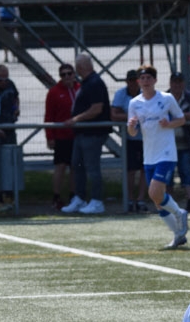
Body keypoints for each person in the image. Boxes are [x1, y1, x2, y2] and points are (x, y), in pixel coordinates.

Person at [126, 65, 189, 249]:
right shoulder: (134, 103)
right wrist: (131, 126)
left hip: (166, 153)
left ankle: (179, 213)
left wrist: (169, 124)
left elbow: (181, 119)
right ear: (138, 81)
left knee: (154, 192)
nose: (145, 81)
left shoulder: (166, 98)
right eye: (142, 78)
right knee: (157, 200)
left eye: (149, 78)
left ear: (155, 80)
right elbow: (132, 132)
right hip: (149, 155)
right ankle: (178, 235)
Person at [62, 53, 111, 214]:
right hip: (82, 133)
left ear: (81, 67)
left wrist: (76, 119)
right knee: (77, 165)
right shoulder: (87, 82)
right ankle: (80, 198)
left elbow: (97, 108)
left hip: (93, 133)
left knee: (92, 167)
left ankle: (97, 201)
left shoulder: (95, 83)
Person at [111, 70, 148, 213]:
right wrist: (132, 116)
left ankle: (141, 199)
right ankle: (130, 199)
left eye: (136, 80)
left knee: (145, 169)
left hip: (145, 138)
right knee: (130, 169)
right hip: (129, 139)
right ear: (127, 81)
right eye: (131, 80)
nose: (133, 83)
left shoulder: (146, 94)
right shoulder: (121, 94)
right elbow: (114, 114)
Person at [44, 62, 80, 211]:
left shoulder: (80, 89)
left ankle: (73, 195)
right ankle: (56, 196)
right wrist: (50, 136)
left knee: (75, 167)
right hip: (61, 136)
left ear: (74, 74)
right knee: (60, 166)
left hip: (78, 135)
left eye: (69, 73)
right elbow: (48, 116)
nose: (67, 77)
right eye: (63, 74)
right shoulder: (54, 92)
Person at [168, 72, 190, 212]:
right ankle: (168, 204)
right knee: (167, 175)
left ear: (183, 83)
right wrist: (183, 116)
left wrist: (176, 116)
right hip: (167, 144)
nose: (177, 85)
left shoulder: (189, 98)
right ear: (170, 83)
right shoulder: (163, 98)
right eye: (175, 82)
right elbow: (161, 116)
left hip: (185, 143)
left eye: (180, 82)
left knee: (187, 171)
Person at [0, 64, 21, 212]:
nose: (4, 82)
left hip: (10, 129)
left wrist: (16, 109)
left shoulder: (10, 85)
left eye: (6, 79)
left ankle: (10, 195)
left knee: (11, 162)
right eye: (1, 79)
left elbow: (16, 98)